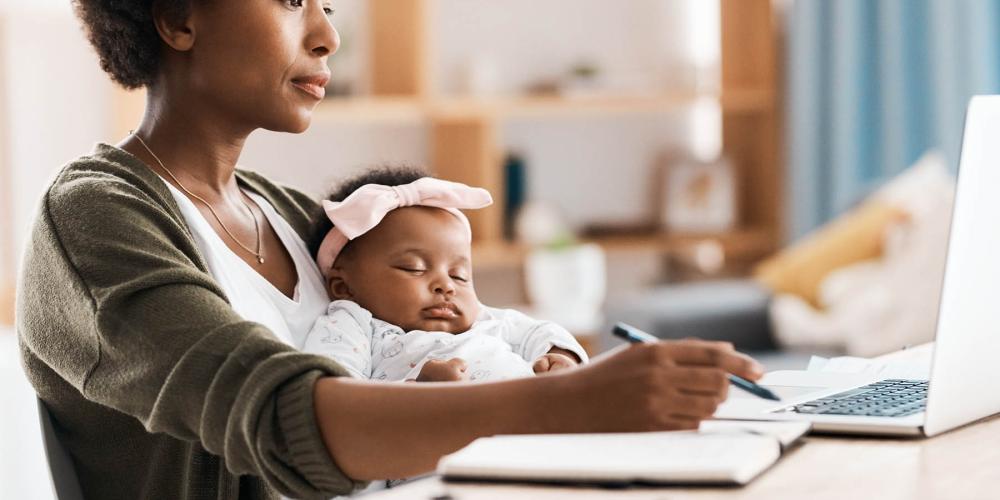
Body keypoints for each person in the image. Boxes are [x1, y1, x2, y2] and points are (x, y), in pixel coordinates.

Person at [15, 1, 765, 498]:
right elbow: (279, 415)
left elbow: (468, 322)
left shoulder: (290, 215)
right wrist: (563, 403)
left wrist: (554, 360)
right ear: (179, 17)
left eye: (327, 5)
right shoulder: (96, 217)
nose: (326, 35)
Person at [302, 167, 587, 383]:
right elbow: (337, 398)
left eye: (460, 275)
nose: (445, 286)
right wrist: (418, 390)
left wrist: (560, 357)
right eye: (413, 268)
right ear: (343, 286)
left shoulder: (485, 321)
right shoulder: (352, 326)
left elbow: (543, 332)